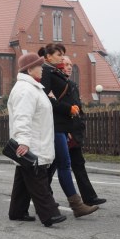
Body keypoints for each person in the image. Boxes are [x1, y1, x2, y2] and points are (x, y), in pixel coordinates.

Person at [38, 43, 98, 218]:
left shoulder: (54, 72)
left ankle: (40, 201)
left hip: (62, 127)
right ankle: (76, 205)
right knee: (63, 164)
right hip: (55, 125)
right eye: (58, 55)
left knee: (52, 167)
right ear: (48, 57)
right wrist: (67, 108)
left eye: (62, 54)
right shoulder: (47, 72)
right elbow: (45, 99)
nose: (61, 58)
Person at [7, 53, 66, 227]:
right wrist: (23, 142)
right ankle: (50, 215)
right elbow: (22, 118)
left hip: (36, 141)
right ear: (30, 69)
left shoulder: (32, 88)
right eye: (39, 66)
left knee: (23, 180)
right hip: (33, 144)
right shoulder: (26, 90)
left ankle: (17, 211)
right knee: (38, 181)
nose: (42, 69)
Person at [58, 56, 106, 206]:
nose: (69, 67)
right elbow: (59, 109)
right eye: (66, 64)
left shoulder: (72, 85)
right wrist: (66, 129)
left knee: (78, 164)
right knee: (52, 166)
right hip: (63, 132)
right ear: (59, 66)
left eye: (70, 65)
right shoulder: (58, 85)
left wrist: (80, 125)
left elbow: (77, 108)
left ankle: (89, 197)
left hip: (74, 132)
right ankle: (43, 197)